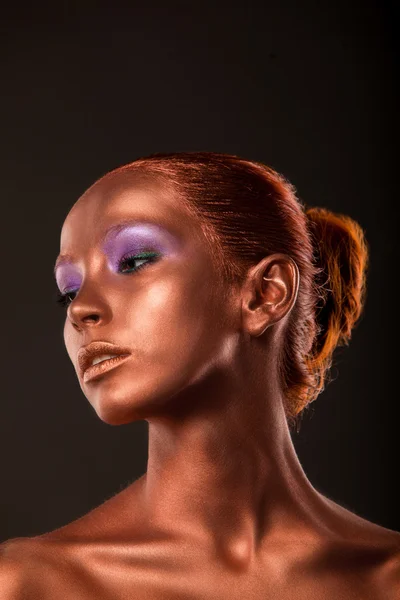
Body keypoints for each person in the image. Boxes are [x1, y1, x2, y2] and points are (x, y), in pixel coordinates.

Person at [0, 152, 398, 599]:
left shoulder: (387, 578)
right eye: (68, 290)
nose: (79, 308)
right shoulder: (29, 584)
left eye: (132, 262)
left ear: (266, 294)